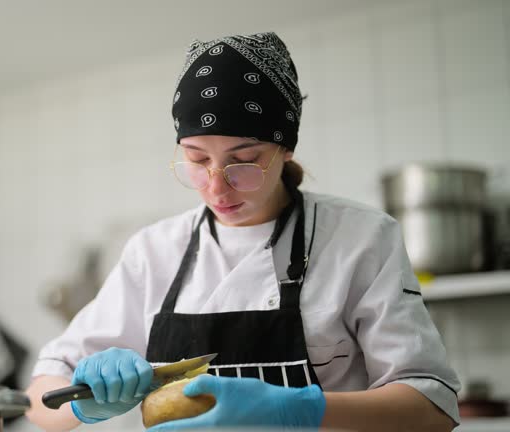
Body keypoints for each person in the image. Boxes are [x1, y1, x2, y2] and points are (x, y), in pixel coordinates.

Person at [25, 32, 460, 431]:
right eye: (197, 160)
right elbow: (38, 401)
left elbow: (433, 408)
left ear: (285, 149)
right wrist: (84, 405)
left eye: (244, 160)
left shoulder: (360, 238)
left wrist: (302, 409)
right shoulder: (153, 251)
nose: (216, 187)